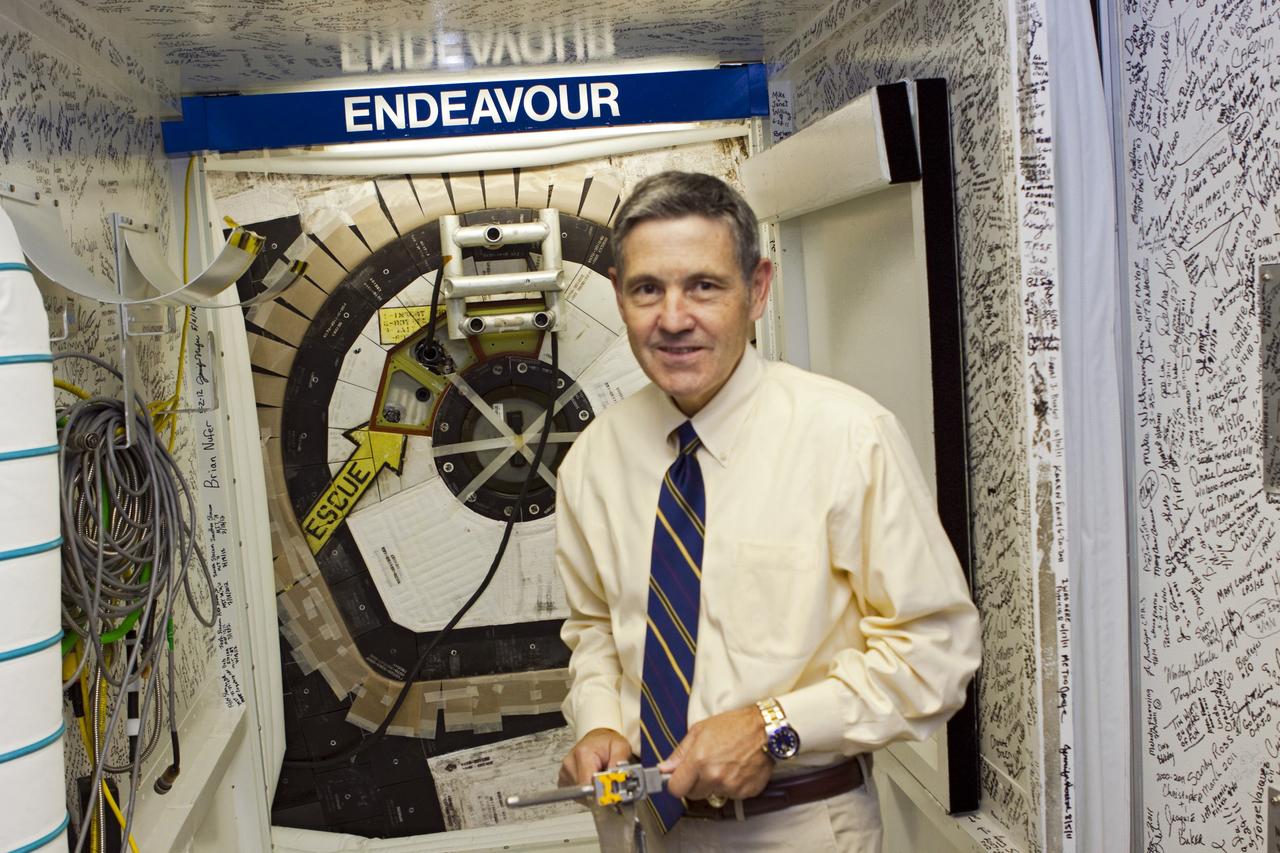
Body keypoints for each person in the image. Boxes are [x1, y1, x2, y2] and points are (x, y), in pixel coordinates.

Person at [553, 170, 981, 851]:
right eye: (647, 289)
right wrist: (600, 721)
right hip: (642, 830)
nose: (672, 317)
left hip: (800, 825)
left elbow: (937, 651)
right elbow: (597, 627)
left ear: (757, 289)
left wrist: (775, 724)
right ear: (617, 295)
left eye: (703, 285)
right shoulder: (592, 460)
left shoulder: (846, 437)